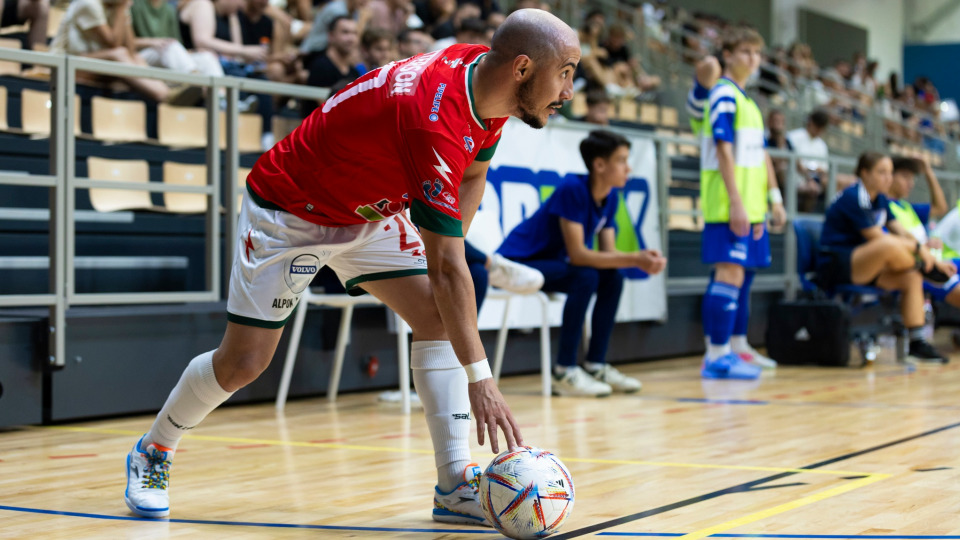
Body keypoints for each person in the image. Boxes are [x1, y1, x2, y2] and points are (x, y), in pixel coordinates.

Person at [123, 8, 580, 526]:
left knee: (435, 316)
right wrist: (481, 379)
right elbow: (448, 268)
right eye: (565, 71)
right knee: (243, 364)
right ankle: (153, 449)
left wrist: (451, 237)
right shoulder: (433, 120)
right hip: (292, 210)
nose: (569, 89)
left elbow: (474, 172)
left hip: (369, 211)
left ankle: (454, 484)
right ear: (522, 68)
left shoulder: (487, 83)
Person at [497, 130, 666, 397]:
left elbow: (607, 254)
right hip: (518, 263)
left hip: (550, 264)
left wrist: (640, 259)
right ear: (599, 165)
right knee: (584, 275)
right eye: (621, 160)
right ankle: (564, 370)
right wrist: (636, 258)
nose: (628, 168)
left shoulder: (610, 197)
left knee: (613, 278)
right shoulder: (572, 189)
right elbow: (578, 255)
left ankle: (596, 364)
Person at [691, 27, 786, 379]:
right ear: (727, 54)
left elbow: (760, 156)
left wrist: (773, 197)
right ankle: (715, 355)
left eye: (756, 53)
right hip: (728, 202)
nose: (752, 58)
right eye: (744, 51)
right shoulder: (722, 95)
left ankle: (738, 347)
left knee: (743, 277)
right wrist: (736, 202)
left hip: (753, 204)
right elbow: (722, 149)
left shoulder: (749, 102)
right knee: (728, 272)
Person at [818, 152, 952, 364]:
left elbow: (902, 233)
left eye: (890, 173)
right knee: (887, 244)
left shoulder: (879, 199)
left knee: (911, 278)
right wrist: (923, 253)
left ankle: (917, 344)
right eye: (882, 172)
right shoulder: (853, 197)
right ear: (865, 173)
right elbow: (877, 237)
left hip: (868, 265)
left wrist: (926, 253)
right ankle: (924, 267)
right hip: (837, 265)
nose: (888, 178)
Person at [50, 0, 199, 104]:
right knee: (118, 54)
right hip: (66, 63)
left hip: (95, 64)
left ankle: (171, 91)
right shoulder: (88, 4)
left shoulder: (117, 6)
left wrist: (125, 14)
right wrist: (122, 8)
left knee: (135, 57)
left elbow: (131, 48)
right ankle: (165, 95)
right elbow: (112, 43)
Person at [885, 156, 960, 314]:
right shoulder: (882, 208)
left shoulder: (907, 207)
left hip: (934, 259)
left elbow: (940, 207)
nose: (910, 183)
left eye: (912, 178)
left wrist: (927, 171)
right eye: (905, 177)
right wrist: (923, 246)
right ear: (889, 176)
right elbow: (889, 245)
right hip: (918, 266)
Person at [130, 0, 224, 77]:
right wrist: (152, 42)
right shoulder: (135, 4)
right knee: (170, 47)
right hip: (142, 54)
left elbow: (176, 43)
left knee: (206, 58)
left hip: (167, 53)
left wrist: (190, 52)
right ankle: (196, 82)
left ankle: (221, 97)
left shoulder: (169, 9)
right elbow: (126, 42)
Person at [302, 15, 361, 116]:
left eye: (354, 33)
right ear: (331, 36)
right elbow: (327, 108)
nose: (351, 38)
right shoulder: (320, 65)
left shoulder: (354, 72)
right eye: (345, 32)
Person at [786, 109, 829, 213]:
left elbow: (824, 169)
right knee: (812, 188)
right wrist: (809, 177)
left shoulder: (822, 145)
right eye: (817, 126)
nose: (818, 130)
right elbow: (795, 163)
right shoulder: (793, 136)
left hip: (816, 178)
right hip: (796, 177)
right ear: (810, 122)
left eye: (821, 128)